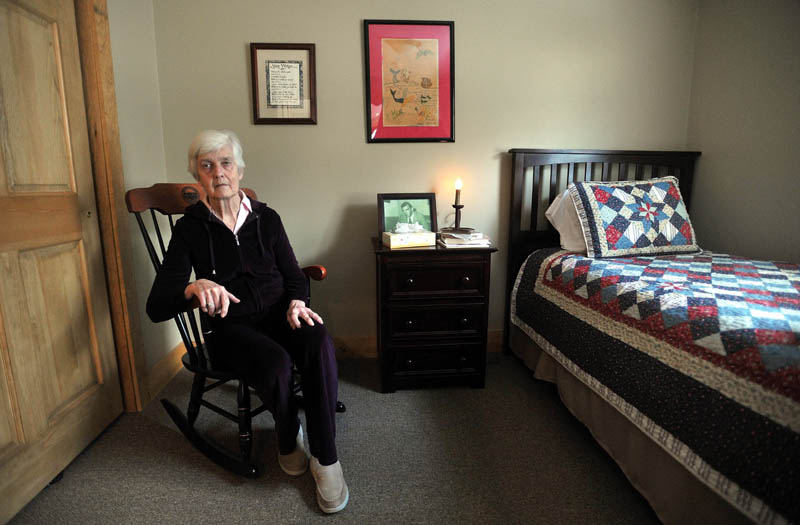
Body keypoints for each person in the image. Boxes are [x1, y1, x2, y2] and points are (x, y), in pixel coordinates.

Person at [146, 129, 348, 514]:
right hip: (229, 329)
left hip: (278, 315)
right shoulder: (189, 229)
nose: (218, 172)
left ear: (238, 170)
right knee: (275, 364)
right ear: (197, 176)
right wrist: (193, 287)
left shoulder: (267, 219)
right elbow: (157, 306)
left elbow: (293, 276)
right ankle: (288, 437)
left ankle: (326, 458)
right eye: (207, 166)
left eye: (225, 163)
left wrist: (296, 303)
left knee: (318, 339)